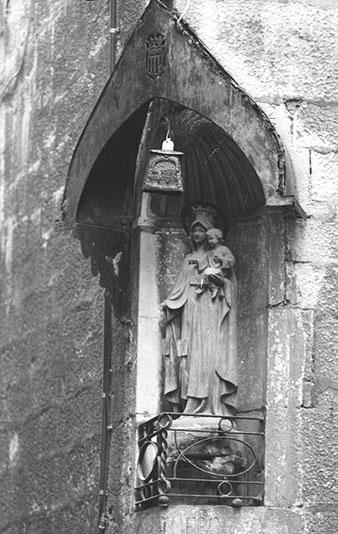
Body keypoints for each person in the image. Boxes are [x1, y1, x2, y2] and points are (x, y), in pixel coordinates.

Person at [161, 209, 238, 416]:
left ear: (209, 233)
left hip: (210, 311)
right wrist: (170, 305)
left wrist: (220, 283)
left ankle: (213, 406)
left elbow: (228, 282)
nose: (197, 235)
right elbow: (180, 287)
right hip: (190, 311)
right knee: (188, 356)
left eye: (201, 230)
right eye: (194, 230)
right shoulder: (187, 259)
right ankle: (190, 406)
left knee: (208, 356)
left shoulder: (217, 254)